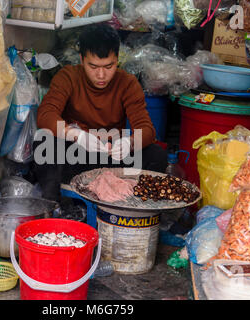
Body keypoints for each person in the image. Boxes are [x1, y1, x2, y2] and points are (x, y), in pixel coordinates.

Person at [33, 23, 167, 202]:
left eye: (109, 66)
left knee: (156, 154)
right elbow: (45, 114)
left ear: (117, 59)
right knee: (44, 141)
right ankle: (54, 207)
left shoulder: (127, 83)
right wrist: (74, 134)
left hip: (111, 159)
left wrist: (130, 143)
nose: (101, 75)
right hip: (77, 156)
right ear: (82, 59)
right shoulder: (68, 77)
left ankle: (134, 207)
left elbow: (147, 130)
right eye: (94, 67)